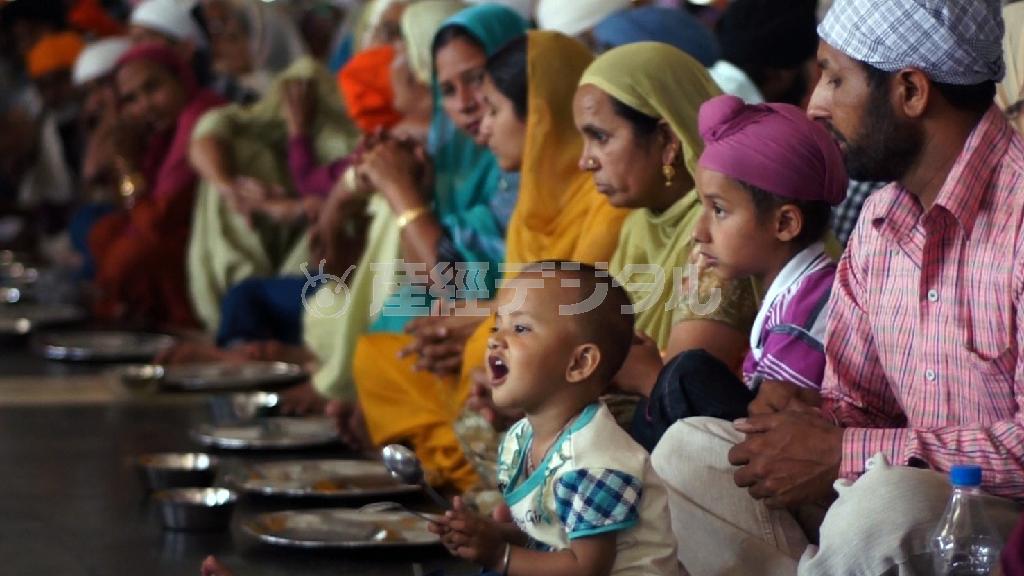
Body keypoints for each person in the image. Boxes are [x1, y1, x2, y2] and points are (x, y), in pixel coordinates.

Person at [651, 0, 1024, 574]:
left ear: (910, 93)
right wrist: (802, 412)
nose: (815, 105)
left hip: (1001, 520)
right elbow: (856, 403)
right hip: (887, 493)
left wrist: (844, 452)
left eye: (834, 78)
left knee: (886, 503)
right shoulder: (878, 226)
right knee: (694, 451)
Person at [351, 28, 628, 492]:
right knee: (380, 356)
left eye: (494, 108)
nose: (480, 122)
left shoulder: (604, 203)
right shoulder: (530, 198)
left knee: (468, 354)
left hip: (555, 368)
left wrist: (483, 325)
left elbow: (572, 316)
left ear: (538, 116)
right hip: (504, 355)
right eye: (450, 90)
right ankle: (471, 462)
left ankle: (479, 470)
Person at [429, 261, 682, 576]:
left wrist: (499, 556)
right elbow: (548, 537)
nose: (494, 340)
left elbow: (586, 568)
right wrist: (487, 533)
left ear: (579, 363)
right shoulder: (522, 436)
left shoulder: (596, 460)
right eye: (496, 326)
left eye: (520, 328)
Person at [631, 94, 847, 450]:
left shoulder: (805, 314)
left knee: (685, 378)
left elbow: (775, 437)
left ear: (785, 222)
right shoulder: (795, 294)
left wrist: (651, 379)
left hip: (797, 480)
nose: (699, 232)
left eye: (718, 210)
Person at [572, 42, 759, 408]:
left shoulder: (720, 236)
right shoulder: (638, 228)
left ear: (667, 140)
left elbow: (682, 399)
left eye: (600, 137)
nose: (585, 161)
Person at [89, 43, 225, 327]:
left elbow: (155, 222)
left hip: (213, 242)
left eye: (153, 88)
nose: (145, 105)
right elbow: (129, 209)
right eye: (131, 99)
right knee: (104, 231)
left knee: (131, 254)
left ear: (180, 78)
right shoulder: (162, 135)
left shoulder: (199, 119)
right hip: (183, 234)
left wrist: (127, 167)